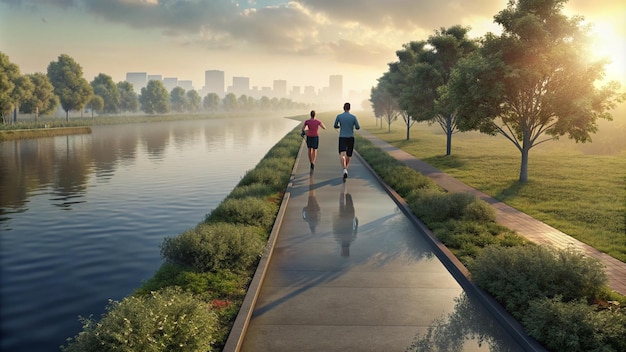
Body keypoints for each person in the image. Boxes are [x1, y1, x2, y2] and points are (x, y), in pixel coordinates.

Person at [333, 102, 360, 180]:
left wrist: (339, 126)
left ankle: (344, 169)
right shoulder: (353, 117)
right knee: (349, 155)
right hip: (351, 137)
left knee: (342, 154)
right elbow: (358, 127)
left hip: (342, 137)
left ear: (343, 108)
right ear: (349, 108)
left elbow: (335, 125)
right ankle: (346, 169)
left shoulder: (339, 116)